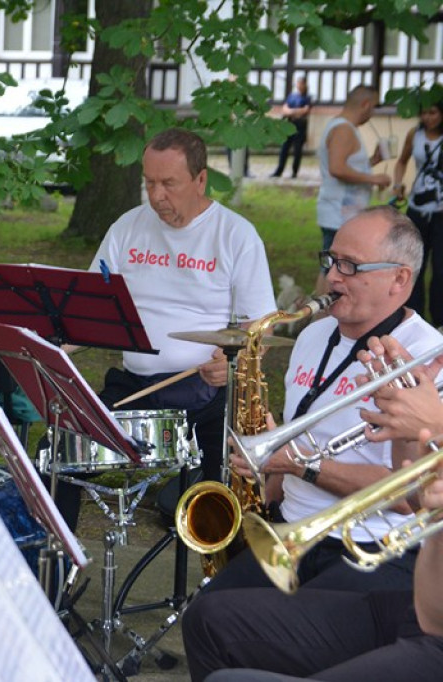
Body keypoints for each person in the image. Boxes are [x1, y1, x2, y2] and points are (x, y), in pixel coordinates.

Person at [180, 206, 440, 607]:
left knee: (245, 625)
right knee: (204, 613)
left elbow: (409, 493)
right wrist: (265, 483)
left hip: (368, 546)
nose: (332, 276)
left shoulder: (429, 357)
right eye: (331, 260)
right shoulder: (313, 336)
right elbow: (303, 434)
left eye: (351, 266)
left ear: (399, 278)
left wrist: (298, 464)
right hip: (290, 529)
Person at [90, 127, 276, 486]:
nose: (156, 196)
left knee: (227, 483)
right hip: (133, 386)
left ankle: (225, 533)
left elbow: (262, 325)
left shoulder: (235, 235)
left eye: (169, 184)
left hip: (204, 393)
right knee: (60, 451)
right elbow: (91, 306)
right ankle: (56, 542)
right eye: (149, 183)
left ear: (201, 180)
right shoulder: (127, 227)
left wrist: (234, 361)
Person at [184, 426, 443, 682]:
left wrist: (299, 464)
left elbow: (401, 502)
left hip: (377, 554)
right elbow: (428, 614)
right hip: (408, 605)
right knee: (206, 619)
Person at [314, 84, 392, 294]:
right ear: (365, 104)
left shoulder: (344, 127)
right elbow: (337, 168)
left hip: (342, 212)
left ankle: (319, 319)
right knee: (331, 271)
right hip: (337, 213)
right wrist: (374, 178)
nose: (373, 113)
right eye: (374, 107)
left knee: (330, 269)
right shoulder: (343, 129)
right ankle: (319, 321)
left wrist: (373, 161)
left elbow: (348, 167)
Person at [393, 100, 443, 323]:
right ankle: (414, 320)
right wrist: (397, 183)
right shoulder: (415, 134)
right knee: (414, 268)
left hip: (441, 213)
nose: (428, 118)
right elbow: (401, 161)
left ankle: (439, 321)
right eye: (423, 113)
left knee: (440, 271)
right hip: (417, 209)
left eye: (432, 112)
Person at [271, 76, 312, 179]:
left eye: (301, 83)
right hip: (289, 124)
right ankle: (279, 170)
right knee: (284, 148)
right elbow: (284, 109)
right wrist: (294, 112)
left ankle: (294, 172)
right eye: (298, 83)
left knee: (297, 150)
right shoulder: (292, 96)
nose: (299, 85)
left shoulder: (307, 98)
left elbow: (305, 110)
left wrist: (292, 111)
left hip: (300, 126)